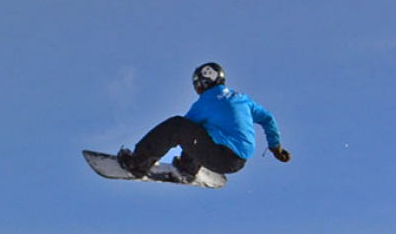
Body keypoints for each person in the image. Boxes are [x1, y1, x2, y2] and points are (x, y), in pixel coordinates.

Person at [118, 62, 291, 178]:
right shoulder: (241, 98)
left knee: (178, 125)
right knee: (204, 129)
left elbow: (177, 133)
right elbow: (268, 118)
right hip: (240, 161)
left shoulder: (206, 101)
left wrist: (154, 154)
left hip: (221, 157)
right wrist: (275, 147)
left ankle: (137, 163)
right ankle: (187, 168)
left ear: (202, 83)